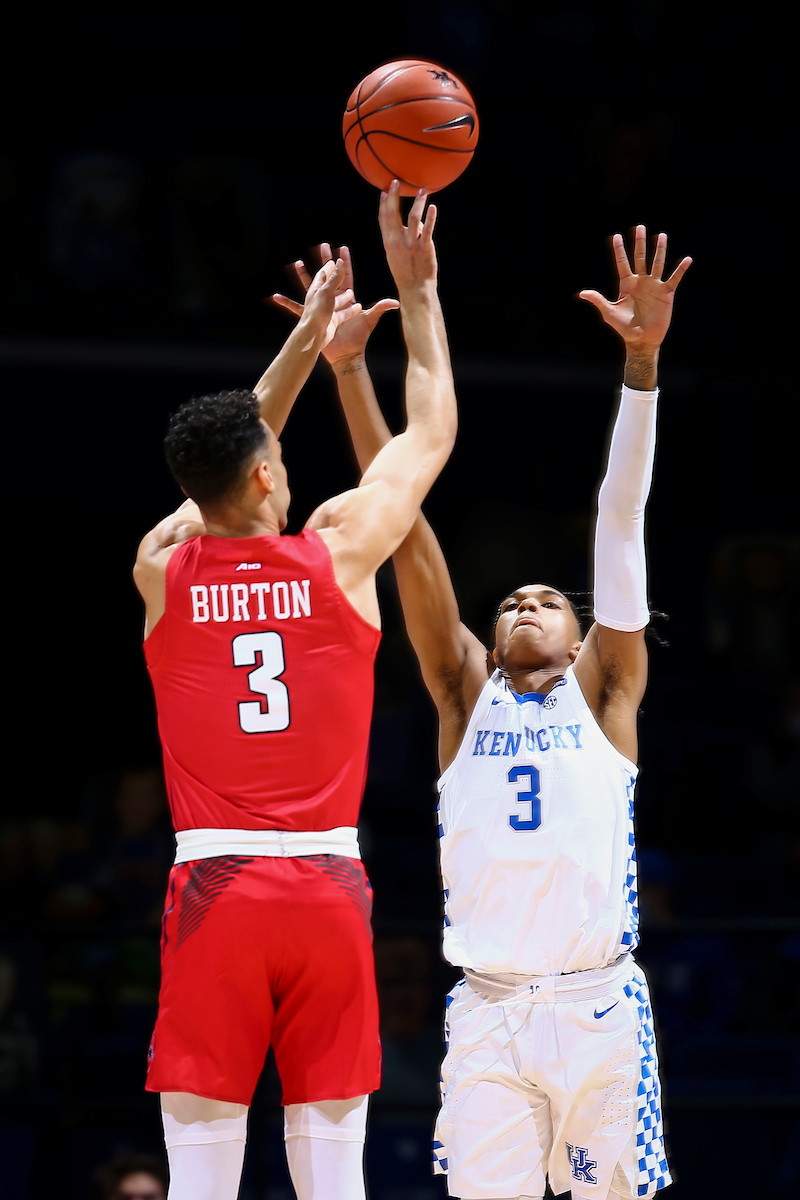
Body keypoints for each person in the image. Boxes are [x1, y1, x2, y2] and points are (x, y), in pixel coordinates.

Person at [310, 225, 691, 1200]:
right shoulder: (459, 696)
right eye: (508, 600)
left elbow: (619, 517)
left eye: (546, 599)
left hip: (596, 1004)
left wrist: (639, 367)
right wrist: (351, 375)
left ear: (582, 636)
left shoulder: (607, 695)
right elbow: (398, 531)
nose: (525, 601)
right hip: (482, 1009)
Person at [132, 183, 457, 1200]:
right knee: (332, 1180)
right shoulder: (339, 558)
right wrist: (419, 289)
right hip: (322, 888)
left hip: (212, 890)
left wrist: (301, 348)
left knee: (199, 1182)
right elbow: (431, 427)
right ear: (272, 479)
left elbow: (222, 466)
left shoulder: (162, 569)